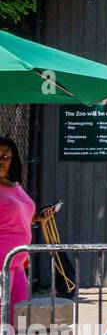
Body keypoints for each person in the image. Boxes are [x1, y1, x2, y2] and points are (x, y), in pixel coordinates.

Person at [0, 137, 41, 323]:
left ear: (13, 160)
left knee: (19, 319)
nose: (0, 161)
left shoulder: (14, 186)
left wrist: (37, 217)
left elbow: (14, 216)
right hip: (2, 262)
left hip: (17, 262)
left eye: (5, 156)